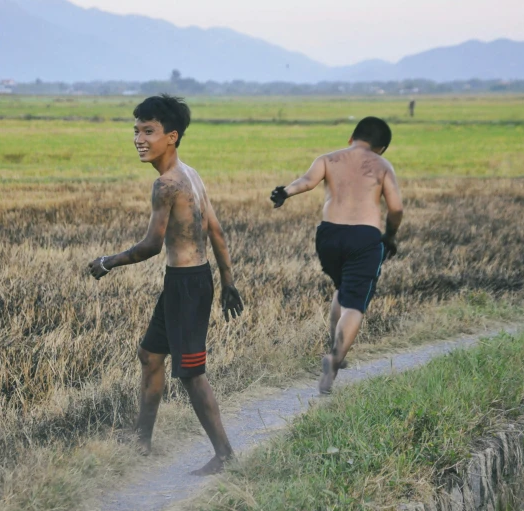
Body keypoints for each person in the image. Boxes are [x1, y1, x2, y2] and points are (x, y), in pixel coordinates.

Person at [89, 94, 244, 475]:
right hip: (189, 282)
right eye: (136, 130)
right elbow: (217, 230)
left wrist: (108, 263)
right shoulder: (190, 173)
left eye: (149, 131)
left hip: (187, 286)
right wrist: (227, 282)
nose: (139, 139)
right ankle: (141, 441)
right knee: (151, 356)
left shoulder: (166, 184)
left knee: (192, 374)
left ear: (171, 136)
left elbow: (151, 246)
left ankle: (225, 455)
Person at [270, 116, 403, 394]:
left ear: (350, 139)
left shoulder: (328, 159)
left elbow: (306, 182)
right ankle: (335, 358)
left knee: (343, 288)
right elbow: (396, 208)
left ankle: (335, 342)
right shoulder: (382, 165)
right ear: (382, 147)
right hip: (364, 238)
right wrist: (389, 236)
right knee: (355, 303)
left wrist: (285, 192)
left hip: (328, 236)